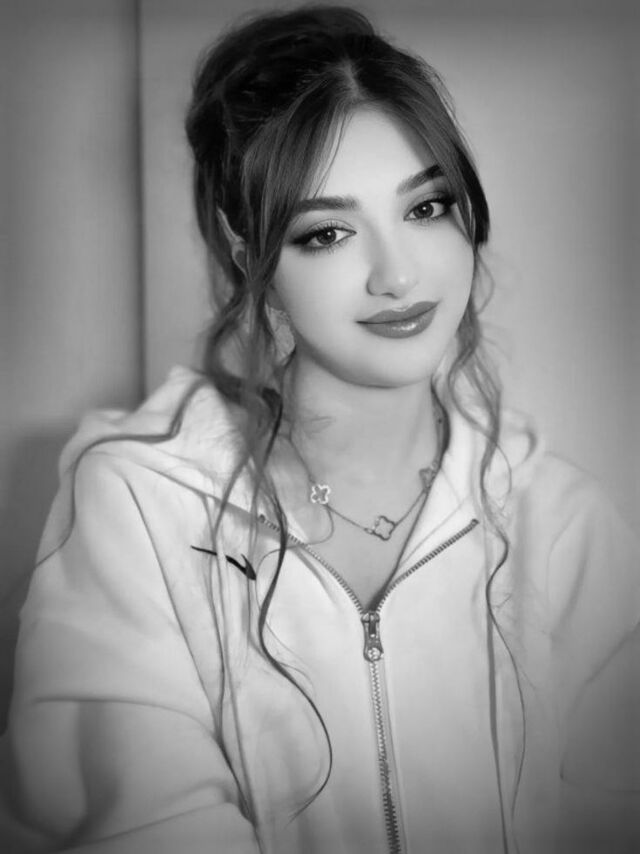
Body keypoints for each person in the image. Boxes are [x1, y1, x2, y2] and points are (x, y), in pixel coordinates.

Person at [2, 5, 639, 853]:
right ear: (250, 258)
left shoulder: (560, 524)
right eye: (328, 232)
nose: (398, 274)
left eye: (427, 207)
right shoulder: (143, 504)